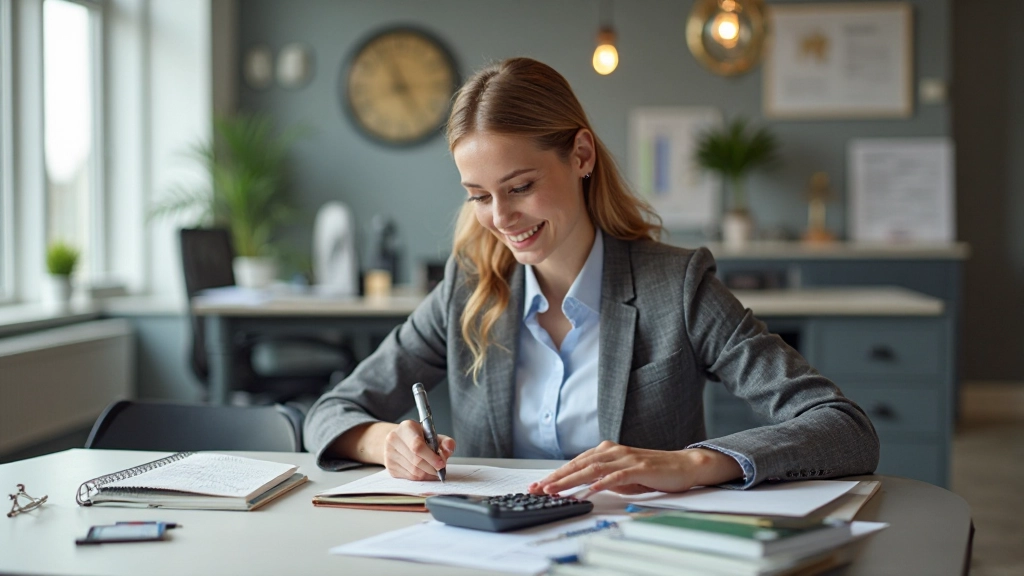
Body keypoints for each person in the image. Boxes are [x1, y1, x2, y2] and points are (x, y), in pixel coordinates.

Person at [303, 57, 879, 496]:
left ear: (581, 155)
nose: (501, 219)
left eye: (520, 187)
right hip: (491, 554)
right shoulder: (469, 287)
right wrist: (386, 443)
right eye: (479, 196)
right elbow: (331, 411)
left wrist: (693, 462)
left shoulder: (676, 287)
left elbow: (843, 427)